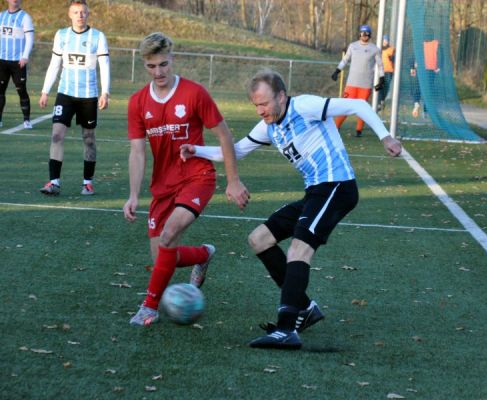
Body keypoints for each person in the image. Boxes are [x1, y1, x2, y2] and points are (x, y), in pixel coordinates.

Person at [180, 68, 402, 349]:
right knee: (259, 239)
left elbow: (358, 104)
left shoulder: (305, 106)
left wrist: (385, 137)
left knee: (299, 248)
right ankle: (305, 309)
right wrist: (196, 150)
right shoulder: (268, 126)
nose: (260, 110)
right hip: (315, 193)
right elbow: (235, 152)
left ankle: (286, 329)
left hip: (337, 187)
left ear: (282, 97)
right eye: (256, 105)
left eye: (264, 103)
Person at [124, 32, 249, 326]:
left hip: (197, 176)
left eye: (164, 65)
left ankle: (149, 307)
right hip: (163, 186)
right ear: (145, 65)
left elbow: (224, 136)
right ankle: (204, 254)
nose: (159, 72)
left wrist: (233, 180)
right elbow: (137, 152)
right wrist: (133, 195)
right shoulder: (137, 102)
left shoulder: (194, 93)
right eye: (152, 67)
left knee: (168, 235)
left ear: (173, 58)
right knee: (162, 260)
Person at [38, 0, 110, 196]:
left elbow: (104, 65)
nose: (80, 15)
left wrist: (105, 92)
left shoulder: (98, 36)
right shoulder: (61, 35)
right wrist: (45, 90)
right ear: (70, 14)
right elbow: (54, 64)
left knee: (88, 138)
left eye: (83, 12)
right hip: (65, 93)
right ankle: (54, 182)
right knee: (56, 135)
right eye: (76, 12)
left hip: (88, 96)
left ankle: (87, 182)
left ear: (88, 14)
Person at [331, 24, 384, 137]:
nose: (364, 35)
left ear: (369, 35)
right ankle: (336, 127)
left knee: (362, 107)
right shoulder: (353, 46)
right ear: (359, 33)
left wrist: (382, 79)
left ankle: (359, 130)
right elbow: (345, 60)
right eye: (362, 33)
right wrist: (337, 71)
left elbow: (380, 65)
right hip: (351, 83)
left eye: (367, 33)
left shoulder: (375, 49)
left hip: (365, 84)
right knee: (345, 106)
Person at [0, 0, 34, 129]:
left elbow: (30, 38)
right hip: (2, 60)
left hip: (18, 62)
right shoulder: (1, 16)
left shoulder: (25, 17)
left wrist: (25, 56)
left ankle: (26, 120)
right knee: (0, 91)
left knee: (21, 90)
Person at [378, 34, 394, 112]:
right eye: (384, 40)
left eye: (386, 40)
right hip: (381, 71)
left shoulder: (392, 49)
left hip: (389, 71)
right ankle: (379, 103)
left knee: (386, 87)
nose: (385, 42)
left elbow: (395, 59)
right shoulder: (379, 49)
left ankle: (382, 101)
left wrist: (392, 58)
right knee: (380, 87)